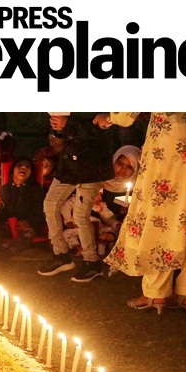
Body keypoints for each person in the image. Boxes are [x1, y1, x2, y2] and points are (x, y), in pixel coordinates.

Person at [102, 112, 186, 309]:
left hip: (170, 144)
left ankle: (155, 292)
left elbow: (128, 113)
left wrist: (110, 118)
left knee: (162, 212)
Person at [37, 113, 120, 283]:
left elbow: (99, 129)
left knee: (80, 215)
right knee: (50, 204)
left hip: (92, 166)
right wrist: (59, 130)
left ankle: (92, 261)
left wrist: (68, 123)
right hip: (69, 165)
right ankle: (60, 254)